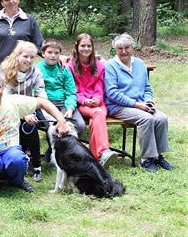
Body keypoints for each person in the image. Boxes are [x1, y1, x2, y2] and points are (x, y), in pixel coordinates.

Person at [0, 70, 69, 193]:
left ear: (3, 88)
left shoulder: (12, 101)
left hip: (11, 149)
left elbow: (43, 102)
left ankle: (17, 181)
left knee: (18, 158)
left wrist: (61, 120)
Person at [104, 33, 174, 173]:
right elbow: (112, 93)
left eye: (127, 47)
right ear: (115, 49)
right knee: (146, 119)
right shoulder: (111, 66)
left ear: (133, 48)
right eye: (120, 48)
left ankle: (157, 156)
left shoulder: (140, 64)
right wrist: (137, 105)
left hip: (141, 104)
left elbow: (147, 87)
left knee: (161, 118)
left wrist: (149, 102)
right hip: (118, 106)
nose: (124, 51)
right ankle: (146, 160)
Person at [67, 34, 117, 167]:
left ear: (93, 47)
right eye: (83, 45)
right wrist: (85, 101)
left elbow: (100, 87)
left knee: (98, 115)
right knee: (97, 114)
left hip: (97, 102)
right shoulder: (70, 66)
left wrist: (97, 99)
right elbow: (72, 90)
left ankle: (95, 158)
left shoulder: (99, 66)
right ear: (77, 47)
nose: (86, 48)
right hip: (81, 103)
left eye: (89, 46)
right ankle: (103, 152)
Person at [0, 41, 47, 182]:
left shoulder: (35, 72)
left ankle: (38, 164)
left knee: (32, 125)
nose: (29, 60)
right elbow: (5, 96)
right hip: (6, 107)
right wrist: (24, 113)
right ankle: (31, 163)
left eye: (32, 57)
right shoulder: (5, 69)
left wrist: (33, 109)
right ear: (17, 55)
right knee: (26, 125)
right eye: (26, 56)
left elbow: (41, 93)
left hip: (29, 106)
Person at [36, 39, 86, 137]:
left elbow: (71, 92)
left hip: (64, 103)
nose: (53, 55)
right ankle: (54, 150)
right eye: (49, 52)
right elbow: (35, 92)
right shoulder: (37, 70)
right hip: (46, 104)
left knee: (80, 126)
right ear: (42, 54)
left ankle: (69, 149)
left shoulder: (64, 69)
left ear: (60, 55)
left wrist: (70, 108)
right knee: (54, 127)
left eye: (56, 53)